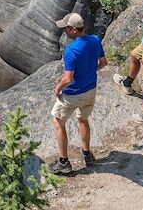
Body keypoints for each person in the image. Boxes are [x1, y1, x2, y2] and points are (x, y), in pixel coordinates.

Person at [48, 12, 106, 175]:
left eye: (66, 28)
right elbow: (103, 63)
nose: (65, 31)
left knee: (58, 122)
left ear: (74, 29)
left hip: (73, 95)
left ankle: (64, 162)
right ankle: (87, 154)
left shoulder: (71, 50)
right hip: (90, 90)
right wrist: (89, 72)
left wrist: (58, 88)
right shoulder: (94, 40)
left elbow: (68, 78)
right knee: (83, 119)